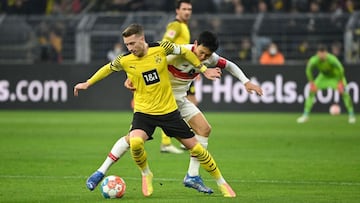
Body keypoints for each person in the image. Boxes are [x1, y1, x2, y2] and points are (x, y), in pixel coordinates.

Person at [74, 24, 236, 197]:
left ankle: (222, 183)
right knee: (135, 142)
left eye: (132, 43)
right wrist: (88, 83)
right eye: (127, 44)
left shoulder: (161, 48)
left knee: (197, 149)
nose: (129, 48)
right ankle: (146, 174)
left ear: (142, 39)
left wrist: (203, 70)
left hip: (169, 111)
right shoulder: (125, 59)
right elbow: (107, 68)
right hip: (144, 113)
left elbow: (186, 52)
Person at [160, 0, 194, 154]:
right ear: (177, 10)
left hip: (184, 69)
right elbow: (166, 43)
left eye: (189, 9)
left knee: (184, 102)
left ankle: (182, 139)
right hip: (173, 70)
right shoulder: (175, 25)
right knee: (173, 105)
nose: (187, 12)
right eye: (184, 9)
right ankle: (169, 142)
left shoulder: (184, 26)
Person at [297, 44, 356, 124]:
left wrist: (340, 82)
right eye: (320, 53)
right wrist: (311, 82)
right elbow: (308, 70)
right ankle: (305, 115)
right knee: (311, 92)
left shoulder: (332, 59)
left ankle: (351, 115)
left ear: (326, 53)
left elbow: (341, 69)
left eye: (323, 53)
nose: (321, 55)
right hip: (323, 77)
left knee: (344, 93)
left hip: (335, 77)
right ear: (317, 53)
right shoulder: (314, 60)